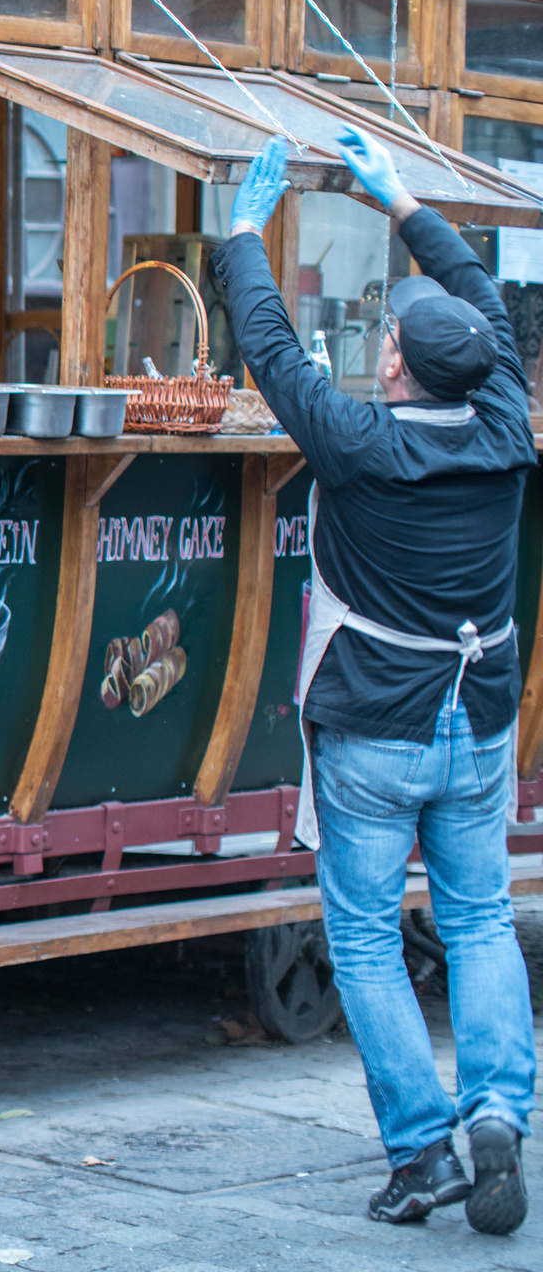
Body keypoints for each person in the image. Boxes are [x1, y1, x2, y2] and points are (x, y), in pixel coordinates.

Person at [219, 126, 534, 1234]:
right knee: (481, 917)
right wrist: (401, 197)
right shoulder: (505, 422)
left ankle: (420, 1151)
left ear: (393, 363)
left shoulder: (360, 441)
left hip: (374, 729)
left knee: (360, 935)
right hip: (477, 719)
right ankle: (498, 1113)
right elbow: (482, 307)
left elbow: (265, 344)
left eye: (389, 333)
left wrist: (242, 229)